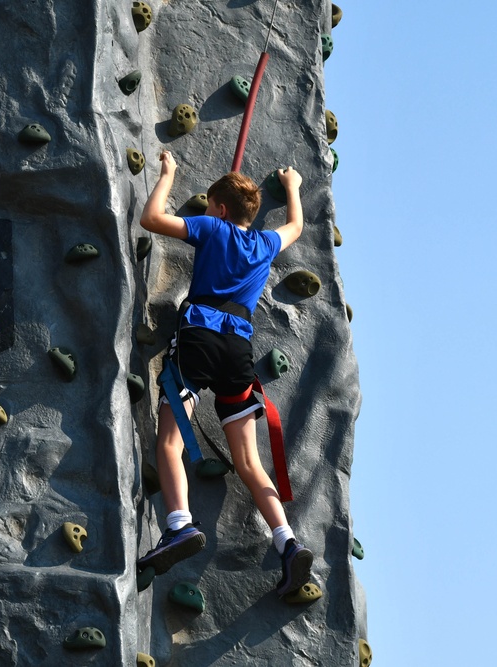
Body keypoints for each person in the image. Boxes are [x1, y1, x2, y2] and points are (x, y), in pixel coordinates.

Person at [135, 149, 312, 597]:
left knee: (171, 441)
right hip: (238, 350)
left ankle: (179, 525)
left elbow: (152, 219)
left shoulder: (212, 227)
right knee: (251, 463)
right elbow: (295, 226)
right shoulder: (266, 244)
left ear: (218, 208)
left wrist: (169, 174)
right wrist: (292, 188)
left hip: (198, 339)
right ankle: (288, 543)